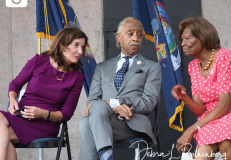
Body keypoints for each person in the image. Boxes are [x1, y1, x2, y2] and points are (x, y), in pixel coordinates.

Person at [79, 17, 162, 160]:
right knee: (87, 120)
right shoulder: (102, 68)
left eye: (139, 35)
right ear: (119, 37)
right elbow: (91, 103)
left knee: (87, 123)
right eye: (130, 34)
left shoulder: (151, 67)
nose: (136, 38)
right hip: (104, 121)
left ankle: (107, 156)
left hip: (133, 125)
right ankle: (107, 156)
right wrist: (114, 107)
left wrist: (114, 102)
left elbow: (149, 103)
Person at [0, 27, 87, 160]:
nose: (80, 51)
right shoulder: (38, 61)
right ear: (62, 45)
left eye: (82, 47)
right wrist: (13, 99)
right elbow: (15, 84)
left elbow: (66, 114)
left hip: (45, 124)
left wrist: (43, 113)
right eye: (76, 45)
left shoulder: (76, 78)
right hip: (21, 117)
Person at [171, 17, 231, 159]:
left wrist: (192, 129)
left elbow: (225, 106)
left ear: (202, 36)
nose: (182, 44)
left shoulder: (225, 57)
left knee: (226, 140)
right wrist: (183, 96)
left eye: (186, 38)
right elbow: (200, 109)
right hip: (211, 118)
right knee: (201, 157)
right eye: (182, 40)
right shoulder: (193, 67)